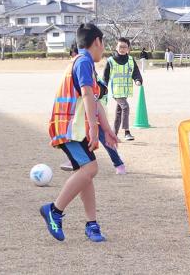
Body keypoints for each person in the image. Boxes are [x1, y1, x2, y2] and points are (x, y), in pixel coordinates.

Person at [42, 23, 118, 242]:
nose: (104, 50)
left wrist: (106, 129)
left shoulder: (85, 63)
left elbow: (94, 100)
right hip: (69, 129)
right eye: (104, 44)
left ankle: (92, 224)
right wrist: (95, 131)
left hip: (74, 129)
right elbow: (86, 95)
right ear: (97, 42)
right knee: (90, 168)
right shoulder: (83, 62)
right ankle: (54, 211)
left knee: (86, 173)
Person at [60, 42, 126, 175]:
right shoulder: (82, 66)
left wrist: (99, 124)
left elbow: (93, 95)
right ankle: (77, 160)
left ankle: (118, 163)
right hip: (84, 114)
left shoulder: (84, 67)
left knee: (104, 137)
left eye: (73, 55)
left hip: (95, 112)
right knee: (83, 139)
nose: (73, 59)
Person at [103, 37, 142, 141]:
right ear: (116, 47)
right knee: (125, 107)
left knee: (119, 112)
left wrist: (137, 79)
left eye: (125, 47)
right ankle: (127, 132)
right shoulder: (111, 60)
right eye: (120, 46)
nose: (122, 49)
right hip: (116, 90)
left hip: (125, 90)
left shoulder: (130, 60)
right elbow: (105, 76)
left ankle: (113, 135)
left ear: (128, 48)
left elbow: (135, 72)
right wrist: (104, 86)